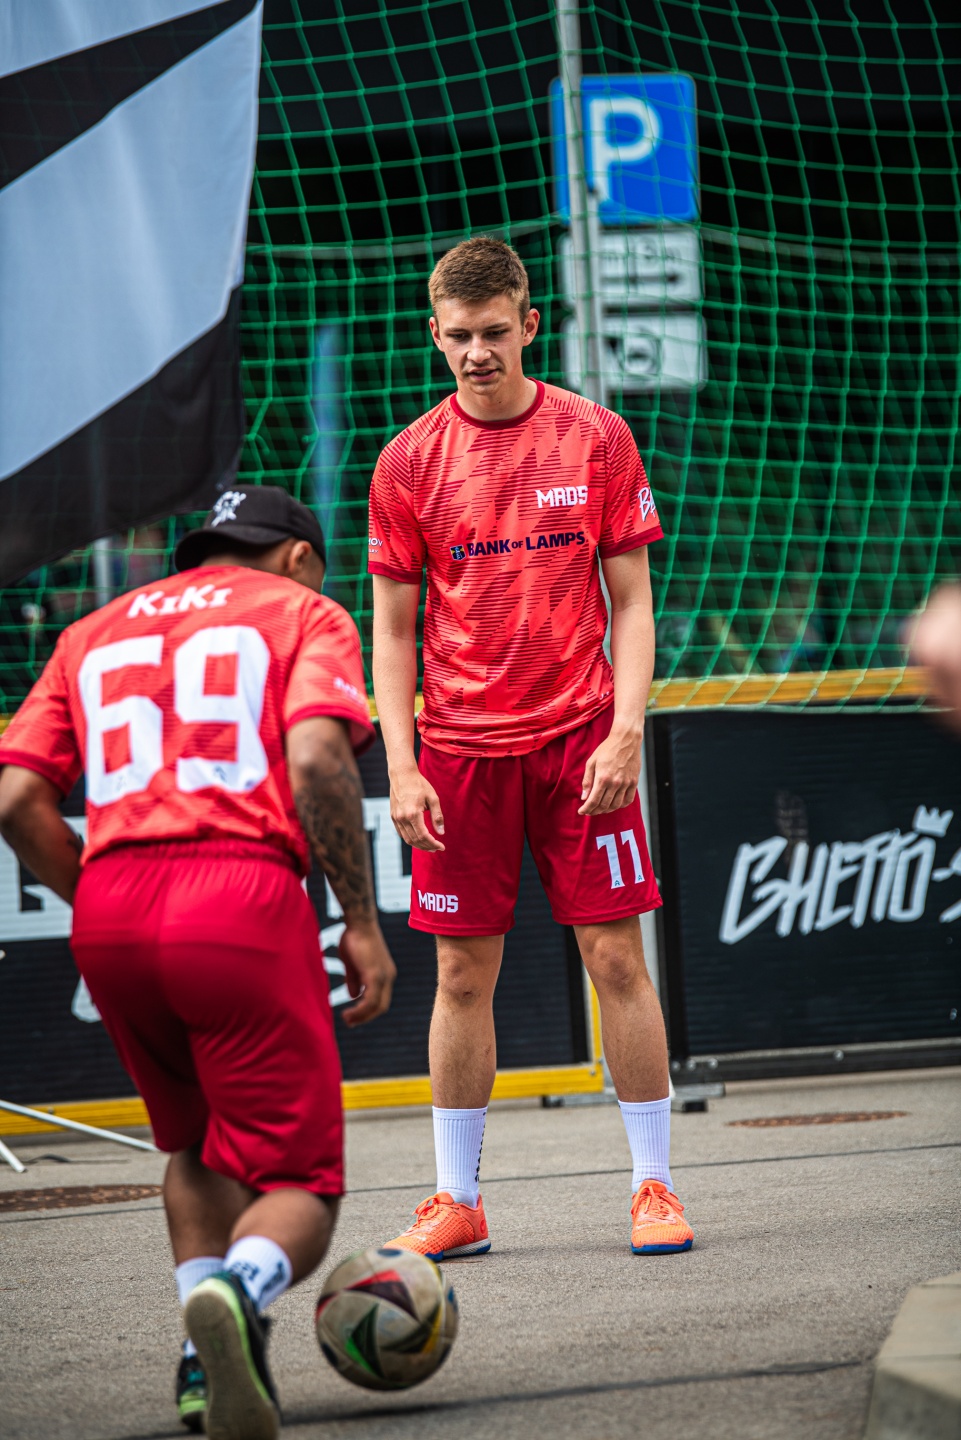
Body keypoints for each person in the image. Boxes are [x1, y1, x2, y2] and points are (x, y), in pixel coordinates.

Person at [0, 486, 396, 1440]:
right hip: (239, 896)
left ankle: (197, 1362)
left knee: (194, 1145)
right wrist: (359, 920)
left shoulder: (93, 629)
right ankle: (236, 1293)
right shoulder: (304, 611)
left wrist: (104, 899)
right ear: (298, 556)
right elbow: (317, 761)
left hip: (111, 902)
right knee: (300, 1181)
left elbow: (14, 800)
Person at [368, 236, 692, 1261]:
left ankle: (653, 1187)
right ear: (435, 334)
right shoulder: (407, 461)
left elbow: (632, 602)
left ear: (529, 325)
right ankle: (456, 1201)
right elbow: (391, 631)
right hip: (458, 753)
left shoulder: (596, 437)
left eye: (495, 332)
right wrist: (401, 763)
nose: (477, 352)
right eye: (459, 336)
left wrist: (627, 729)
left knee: (615, 958)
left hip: (581, 740)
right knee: (461, 976)